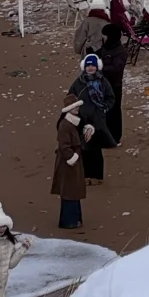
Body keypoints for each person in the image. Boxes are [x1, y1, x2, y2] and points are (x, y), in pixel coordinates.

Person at [67, 54, 116, 184]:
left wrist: (105, 108)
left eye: (93, 65)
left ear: (97, 66)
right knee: (84, 148)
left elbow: (111, 98)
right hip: (83, 119)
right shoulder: (78, 83)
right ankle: (86, 176)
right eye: (88, 65)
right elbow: (70, 98)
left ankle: (98, 176)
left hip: (98, 120)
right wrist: (75, 112)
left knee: (96, 149)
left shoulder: (103, 82)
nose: (90, 68)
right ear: (84, 67)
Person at [52, 95, 91, 229]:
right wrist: (72, 158)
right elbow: (64, 146)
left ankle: (73, 220)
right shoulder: (65, 125)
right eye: (75, 107)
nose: (78, 108)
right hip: (68, 163)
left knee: (72, 190)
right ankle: (70, 221)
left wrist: (88, 128)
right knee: (70, 190)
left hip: (72, 160)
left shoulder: (72, 122)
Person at [98, 23, 128, 143]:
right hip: (103, 85)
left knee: (114, 111)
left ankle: (115, 137)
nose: (103, 38)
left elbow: (116, 68)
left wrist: (101, 67)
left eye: (105, 35)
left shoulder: (120, 51)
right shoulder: (106, 47)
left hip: (114, 86)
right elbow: (99, 54)